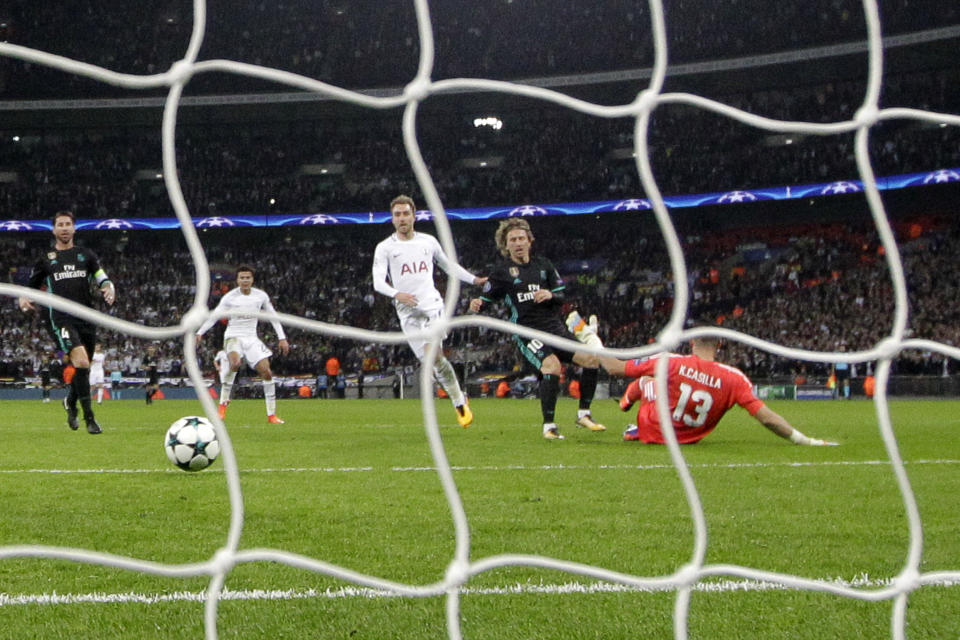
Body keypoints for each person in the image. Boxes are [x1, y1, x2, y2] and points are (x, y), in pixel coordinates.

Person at [566, 315, 838, 446]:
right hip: (688, 437)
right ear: (719, 344)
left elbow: (614, 368)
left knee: (646, 381)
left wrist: (590, 339)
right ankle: (631, 413)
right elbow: (767, 418)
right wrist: (806, 441)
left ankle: (628, 410)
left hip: (652, 430)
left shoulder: (670, 361)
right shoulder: (734, 378)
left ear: (692, 341)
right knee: (653, 382)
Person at [468, 218, 605, 440]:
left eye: (521, 238)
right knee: (551, 365)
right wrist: (477, 304)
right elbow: (485, 299)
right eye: (513, 240)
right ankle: (549, 427)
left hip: (554, 328)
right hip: (527, 331)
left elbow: (562, 295)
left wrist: (551, 295)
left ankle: (584, 414)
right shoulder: (501, 272)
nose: (518, 243)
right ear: (506, 245)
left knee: (591, 359)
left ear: (530, 241)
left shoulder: (544, 266)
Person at [372, 194, 485, 428]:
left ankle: (459, 404)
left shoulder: (428, 242)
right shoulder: (385, 248)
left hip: (433, 307)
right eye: (397, 215)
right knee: (434, 364)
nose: (402, 218)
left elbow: (449, 266)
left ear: (414, 216)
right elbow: (378, 282)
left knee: (435, 357)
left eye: (405, 213)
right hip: (407, 313)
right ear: (392, 219)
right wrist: (397, 294)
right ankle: (460, 396)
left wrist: (474, 280)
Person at [18, 210, 116, 434]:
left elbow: (101, 276)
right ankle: (90, 418)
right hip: (60, 318)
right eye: (60, 224)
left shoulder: (86, 255)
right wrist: (24, 298)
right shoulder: (47, 259)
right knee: (81, 361)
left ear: (74, 228)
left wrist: (108, 287)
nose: (64, 228)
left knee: (84, 367)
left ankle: (70, 403)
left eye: (67, 224)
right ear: (53, 230)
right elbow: (30, 287)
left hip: (86, 317)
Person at [196, 265, 289, 423]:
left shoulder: (261, 296)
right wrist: (200, 332)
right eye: (242, 278)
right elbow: (215, 316)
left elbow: (273, 316)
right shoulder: (230, 297)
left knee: (266, 372)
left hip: (251, 338)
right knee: (235, 362)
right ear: (237, 280)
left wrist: (282, 338)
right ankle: (222, 406)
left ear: (252, 279)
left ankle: (271, 415)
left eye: (248, 278)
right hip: (233, 336)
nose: (245, 281)